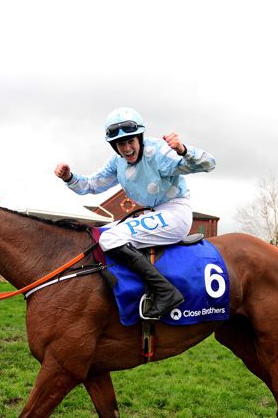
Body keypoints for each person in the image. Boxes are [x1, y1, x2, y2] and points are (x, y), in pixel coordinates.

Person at [54, 107, 216, 319]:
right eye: (121, 144)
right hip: (152, 213)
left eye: (131, 141)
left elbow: (209, 164)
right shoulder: (117, 162)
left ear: (140, 138)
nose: (127, 148)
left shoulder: (158, 152)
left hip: (175, 212)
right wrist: (69, 177)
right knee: (97, 234)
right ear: (115, 146)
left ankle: (165, 292)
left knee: (111, 238)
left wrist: (183, 149)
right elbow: (92, 185)